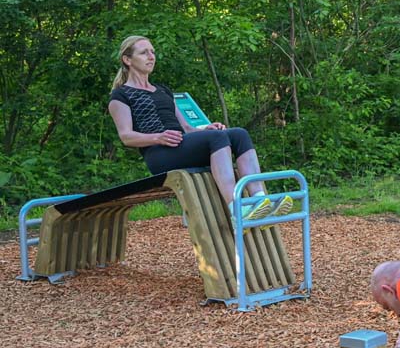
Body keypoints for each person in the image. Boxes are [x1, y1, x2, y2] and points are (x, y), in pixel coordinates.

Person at [108, 35, 291, 221]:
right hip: (159, 154)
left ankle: (259, 200)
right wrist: (158, 137)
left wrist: (207, 129)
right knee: (217, 139)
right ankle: (235, 208)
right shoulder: (120, 95)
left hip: (181, 145)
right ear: (127, 59)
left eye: (153, 52)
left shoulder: (162, 90)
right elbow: (126, 136)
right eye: (144, 52)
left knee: (238, 134)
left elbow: (186, 127)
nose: (151, 56)